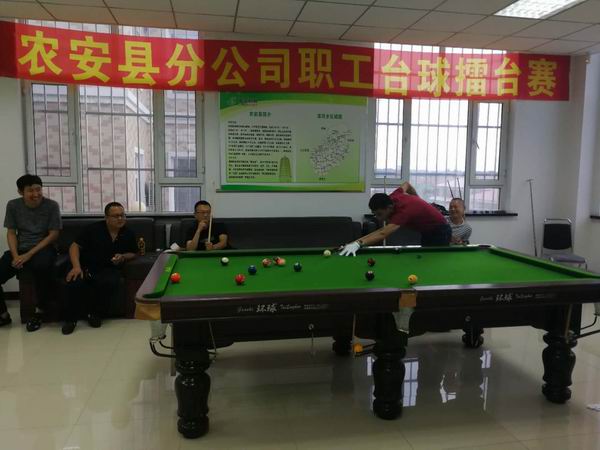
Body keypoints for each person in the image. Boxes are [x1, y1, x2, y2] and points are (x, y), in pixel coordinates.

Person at [61, 202, 137, 335]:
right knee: (75, 282)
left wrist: (122, 256)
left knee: (111, 281)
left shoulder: (128, 233)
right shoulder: (93, 229)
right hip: (84, 264)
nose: (120, 218)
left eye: (122, 215)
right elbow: (74, 246)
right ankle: (70, 320)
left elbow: (133, 253)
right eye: (116, 216)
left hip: (106, 267)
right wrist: (76, 267)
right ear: (106, 218)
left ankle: (94, 314)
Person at [0, 174, 61, 330]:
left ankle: (40, 311)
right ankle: (3, 315)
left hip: (43, 248)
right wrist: (15, 256)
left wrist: (29, 255)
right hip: (20, 249)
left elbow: (53, 235)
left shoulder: (51, 206)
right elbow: (11, 233)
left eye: (38, 189)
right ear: (21, 192)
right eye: (30, 191)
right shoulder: (13, 205)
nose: (36, 194)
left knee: (42, 267)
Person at [340, 185, 451, 256]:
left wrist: (358, 244)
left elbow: (382, 233)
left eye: (380, 214)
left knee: (434, 260)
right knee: (426, 257)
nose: (378, 218)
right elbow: (407, 185)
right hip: (427, 231)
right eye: (375, 214)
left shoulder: (404, 211)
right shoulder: (393, 196)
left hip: (440, 231)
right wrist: (354, 243)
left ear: (389, 208)